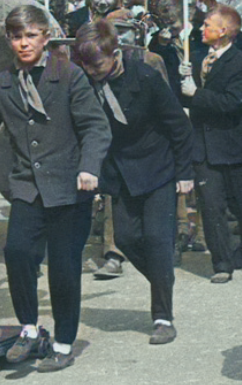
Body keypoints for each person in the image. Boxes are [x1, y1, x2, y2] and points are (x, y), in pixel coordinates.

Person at [0, 5, 111, 372]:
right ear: (9, 40)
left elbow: (96, 127)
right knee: (19, 251)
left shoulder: (68, 76)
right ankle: (28, 329)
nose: (24, 44)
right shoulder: (2, 85)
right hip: (27, 187)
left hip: (70, 187)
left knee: (64, 268)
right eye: (17, 37)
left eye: (31, 36)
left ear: (46, 37)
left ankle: (64, 342)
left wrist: (89, 167)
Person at [73, 19, 194, 344]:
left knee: (157, 240)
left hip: (158, 168)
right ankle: (162, 278)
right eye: (84, 65)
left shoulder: (145, 77)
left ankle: (162, 317)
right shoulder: (85, 82)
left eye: (96, 64)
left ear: (115, 54)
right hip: (120, 172)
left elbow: (180, 127)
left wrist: (185, 173)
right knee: (125, 239)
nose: (91, 71)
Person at [178, 4, 242, 283]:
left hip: (232, 146)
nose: (202, 28)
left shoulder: (241, 63)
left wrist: (196, 94)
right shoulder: (199, 57)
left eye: (208, 25)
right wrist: (186, 79)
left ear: (223, 32)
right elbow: (189, 99)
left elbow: (230, 103)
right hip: (203, 146)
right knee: (211, 206)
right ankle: (222, 263)